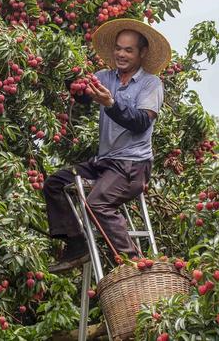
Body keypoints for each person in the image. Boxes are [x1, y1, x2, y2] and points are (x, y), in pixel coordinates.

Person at [43, 18, 170, 274]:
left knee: (97, 203)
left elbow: (140, 123)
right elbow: (83, 97)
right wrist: (72, 78)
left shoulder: (151, 84)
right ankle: (77, 244)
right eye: (118, 48)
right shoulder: (105, 77)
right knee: (55, 183)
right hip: (104, 162)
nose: (121, 54)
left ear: (142, 53)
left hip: (132, 165)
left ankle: (133, 264)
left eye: (129, 50)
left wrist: (111, 104)